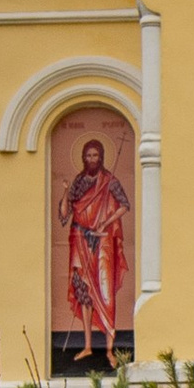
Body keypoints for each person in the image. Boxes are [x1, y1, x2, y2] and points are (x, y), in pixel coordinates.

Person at [57, 136, 131, 365]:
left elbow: (124, 205)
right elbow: (64, 216)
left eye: (95, 155)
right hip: (80, 240)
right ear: (83, 158)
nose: (92, 159)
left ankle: (110, 349)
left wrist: (105, 223)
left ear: (101, 157)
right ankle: (88, 346)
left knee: (106, 292)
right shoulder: (79, 182)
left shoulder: (110, 181)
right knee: (84, 293)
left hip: (102, 244)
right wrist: (65, 193)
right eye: (88, 155)